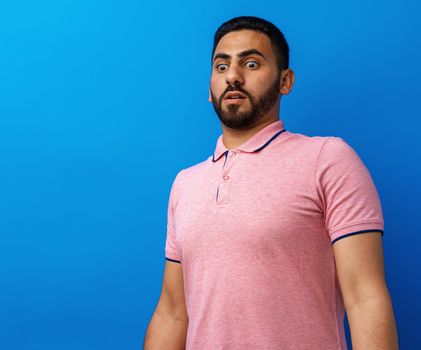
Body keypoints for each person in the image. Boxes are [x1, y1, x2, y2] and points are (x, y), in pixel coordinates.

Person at [144, 16, 399, 350]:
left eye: (251, 63)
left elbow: (365, 298)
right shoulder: (185, 184)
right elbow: (173, 312)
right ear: (210, 88)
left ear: (285, 81)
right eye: (221, 67)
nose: (233, 76)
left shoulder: (328, 159)